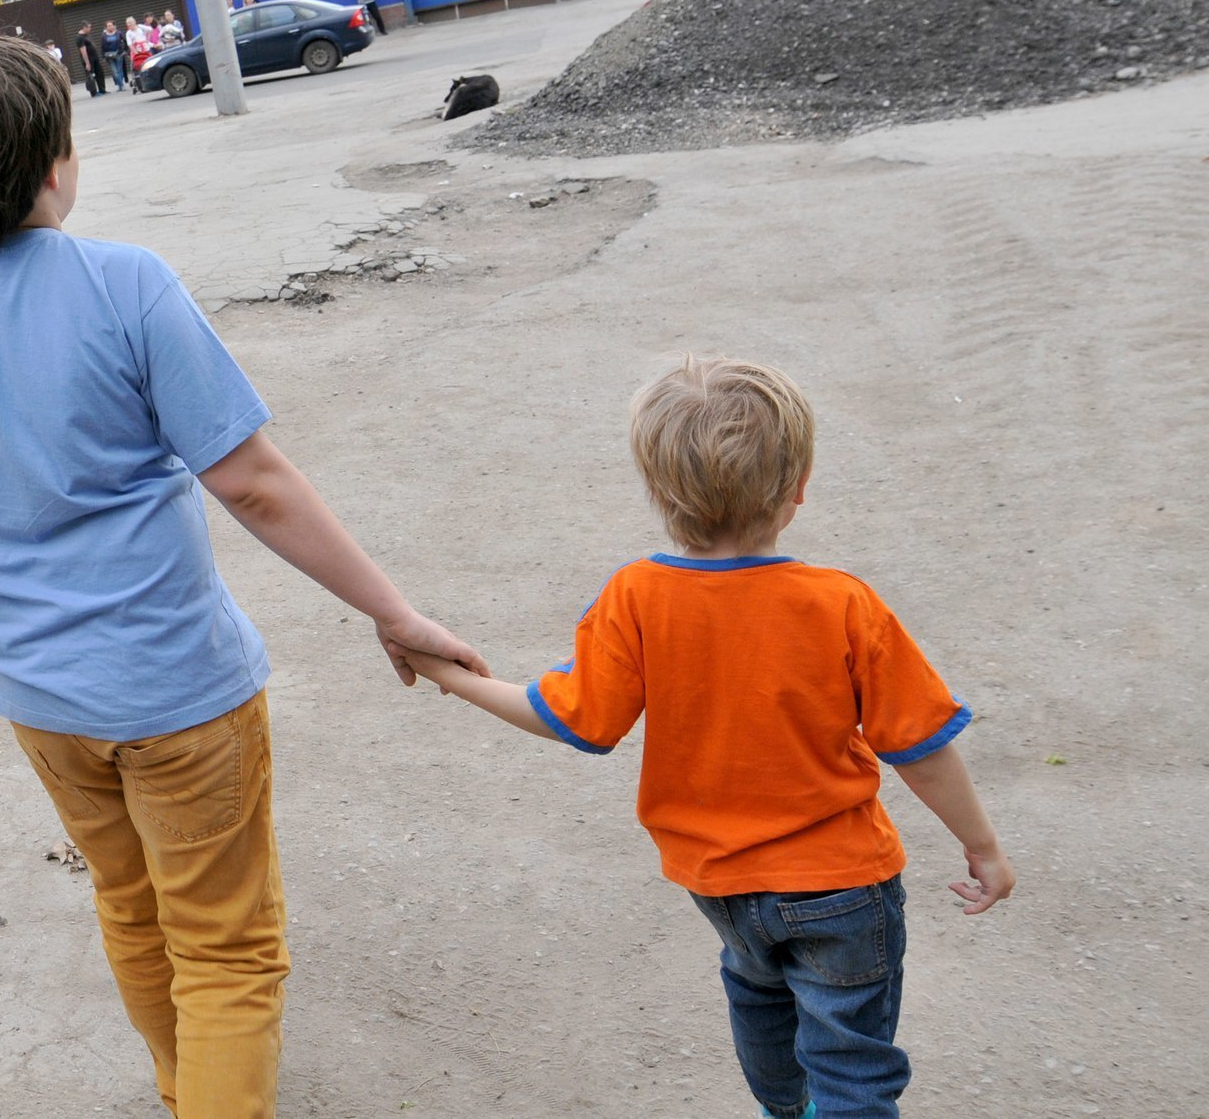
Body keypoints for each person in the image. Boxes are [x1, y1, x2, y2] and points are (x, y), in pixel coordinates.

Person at [0, 37, 484, 1117]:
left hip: (46, 708)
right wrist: (394, 613)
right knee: (225, 949)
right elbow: (252, 483)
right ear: (54, 167)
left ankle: (185, 1089)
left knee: (133, 907)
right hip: (182, 694)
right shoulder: (127, 284)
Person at [406, 356, 1011, 1119]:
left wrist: (450, 675)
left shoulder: (636, 596)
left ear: (660, 492)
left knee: (760, 1010)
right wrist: (983, 847)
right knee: (851, 1064)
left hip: (721, 887)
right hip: (841, 888)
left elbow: (572, 720)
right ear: (798, 487)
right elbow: (919, 745)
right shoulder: (841, 604)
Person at [73, 22, 105, 97]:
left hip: (95, 58)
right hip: (89, 59)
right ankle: (93, 92)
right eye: (89, 27)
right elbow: (83, 50)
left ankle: (102, 90)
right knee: (91, 76)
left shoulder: (87, 35)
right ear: (84, 27)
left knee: (100, 73)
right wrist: (87, 62)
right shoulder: (79, 37)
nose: (90, 29)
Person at [100, 17, 128, 90]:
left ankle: (121, 86)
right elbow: (102, 46)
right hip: (109, 55)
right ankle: (121, 84)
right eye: (108, 26)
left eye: (111, 25)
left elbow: (125, 41)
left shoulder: (119, 33)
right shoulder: (104, 36)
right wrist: (103, 56)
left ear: (114, 26)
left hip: (119, 54)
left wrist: (126, 50)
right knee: (114, 71)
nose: (110, 27)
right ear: (106, 27)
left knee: (119, 70)